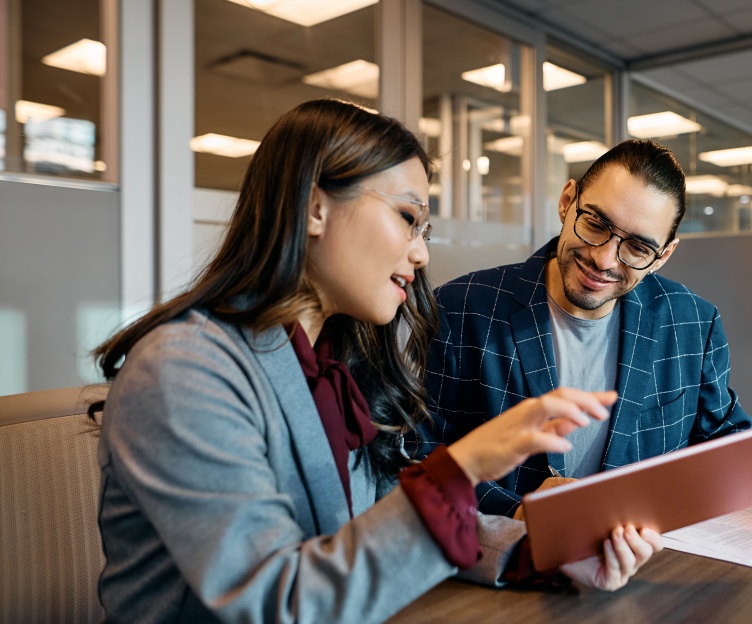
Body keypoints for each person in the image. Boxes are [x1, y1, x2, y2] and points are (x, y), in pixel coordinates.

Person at [89, 100, 661, 624]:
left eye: (425, 228)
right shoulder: (183, 371)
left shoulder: (335, 360)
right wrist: (460, 469)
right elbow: (278, 604)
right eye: (407, 218)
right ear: (315, 207)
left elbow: (382, 522)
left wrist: (541, 556)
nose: (421, 252)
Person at [418, 139, 752, 521]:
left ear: (663, 255)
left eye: (638, 247)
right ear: (567, 202)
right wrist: (519, 513)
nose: (604, 259)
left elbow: (718, 440)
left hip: (643, 573)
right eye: (596, 223)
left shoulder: (691, 323)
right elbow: (418, 456)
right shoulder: (462, 309)